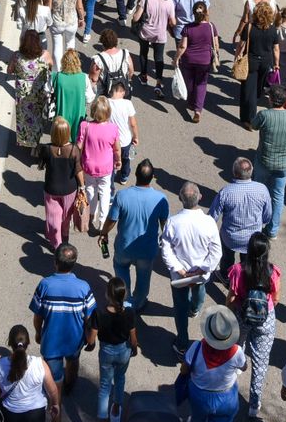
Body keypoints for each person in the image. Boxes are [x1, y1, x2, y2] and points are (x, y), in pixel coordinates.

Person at [29, 243, 96, 405]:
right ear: (74, 263)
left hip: (51, 342)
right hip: (75, 340)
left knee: (54, 377)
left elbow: (38, 316)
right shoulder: (83, 287)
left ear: (55, 262)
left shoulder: (45, 285)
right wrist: (91, 340)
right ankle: (70, 385)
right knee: (73, 362)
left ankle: (56, 406)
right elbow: (91, 319)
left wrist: (38, 332)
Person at [100, 160, 169, 311]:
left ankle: (125, 300)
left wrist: (103, 233)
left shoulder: (122, 196)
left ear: (136, 174)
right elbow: (165, 226)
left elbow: (112, 220)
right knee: (144, 278)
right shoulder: (161, 199)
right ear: (152, 177)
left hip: (124, 247)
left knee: (120, 268)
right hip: (147, 250)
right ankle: (138, 303)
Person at [161, 182, 221, 351]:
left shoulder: (173, 222)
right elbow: (216, 252)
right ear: (200, 197)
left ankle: (181, 345)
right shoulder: (209, 222)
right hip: (201, 274)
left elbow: (166, 249)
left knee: (180, 310)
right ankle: (195, 309)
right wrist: (204, 268)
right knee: (199, 291)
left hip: (180, 276)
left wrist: (178, 268)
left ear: (180, 199)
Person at [227, 231, 280, 417]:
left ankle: (235, 374)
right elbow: (276, 298)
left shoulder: (238, 270)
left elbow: (232, 297)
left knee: (236, 346)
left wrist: (232, 309)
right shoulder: (272, 271)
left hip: (243, 314)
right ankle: (253, 405)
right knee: (260, 362)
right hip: (266, 318)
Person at [180, 307, 245, 422]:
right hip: (226, 399)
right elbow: (244, 366)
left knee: (197, 416)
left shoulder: (196, 347)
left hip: (199, 396)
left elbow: (184, 370)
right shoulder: (236, 351)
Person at [85, 277, 139, 422]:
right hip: (124, 351)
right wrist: (134, 348)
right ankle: (116, 413)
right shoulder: (129, 312)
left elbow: (92, 339)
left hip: (107, 352)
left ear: (107, 294)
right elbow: (133, 335)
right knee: (120, 379)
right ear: (124, 295)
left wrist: (90, 343)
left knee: (104, 388)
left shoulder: (99, 313)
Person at [254, 88, 286, 236]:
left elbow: (253, 125)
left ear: (270, 99)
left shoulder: (264, 115)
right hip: (283, 164)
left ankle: (255, 225)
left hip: (264, 161)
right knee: (277, 195)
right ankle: (272, 230)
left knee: (258, 192)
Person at [210, 159, 272, 273]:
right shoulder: (262, 189)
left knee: (227, 259)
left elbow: (212, 217)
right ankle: (244, 279)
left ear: (235, 173)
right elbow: (267, 216)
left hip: (230, 238)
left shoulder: (226, 192)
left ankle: (226, 276)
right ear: (251, 171)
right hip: (252, 239)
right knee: (248, 263)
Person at [77, 97, 121, 236]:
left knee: (90, 190)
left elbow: (79, 146)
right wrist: (118, 160)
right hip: (106, 168)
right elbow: (117, 149)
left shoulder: (85, 126)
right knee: (105, 192)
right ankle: (103, 220)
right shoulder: (113, 128)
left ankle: (91, 214)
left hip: (89, 166)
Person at [36, 117, 83, 248]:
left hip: (51, 188)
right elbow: (78, 170)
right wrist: (83, 187)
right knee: (66, 218)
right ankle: (65, 238)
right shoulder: (74, 150)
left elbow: (41, 165)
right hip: (70, 190)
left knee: (53, 216)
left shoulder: (46, 149)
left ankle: (57, 243)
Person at [9, 29, 55, 150]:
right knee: (38, 116)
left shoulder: (17, 56)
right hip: (38, 91)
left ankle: (25, 139)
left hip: (22, 92)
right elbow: (51, 66)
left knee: (23, 116)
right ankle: (35, 141)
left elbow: (9, 70)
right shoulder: (45, 55)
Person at [238, 2, 281, 129]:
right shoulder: (273, 30)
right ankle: (249, 113)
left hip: (251, 62)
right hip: (266, 63)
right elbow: (276, 49)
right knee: (258, 89)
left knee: (248, 90)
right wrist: (277, 64)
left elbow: (241, 45)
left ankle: (250, 119)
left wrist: (237, 57)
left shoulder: (249, 28)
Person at [174, 1, 219, 122]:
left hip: (188, 60)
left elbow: (183, 46)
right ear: (205, 13)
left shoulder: (188, 27)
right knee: (201, 84)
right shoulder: (211, 27)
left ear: (193, 13)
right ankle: (198, 110)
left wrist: (176, 58)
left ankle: (190, 102)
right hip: (204, 61)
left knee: (189, 82)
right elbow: (216, 45)